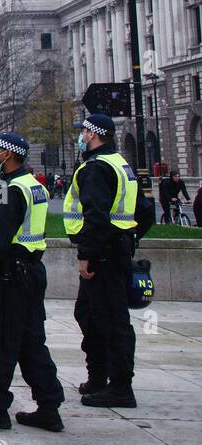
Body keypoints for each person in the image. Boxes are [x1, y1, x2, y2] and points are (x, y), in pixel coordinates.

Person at [0, 132, 65, 432]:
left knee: (0, 341)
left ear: (9, 154)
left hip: (9, 275)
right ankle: (49, 406)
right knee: (32, 342)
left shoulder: (6, 187)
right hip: (31, 271)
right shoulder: (33, 185)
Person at [65, 114, 154, 408]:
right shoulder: (120, 164)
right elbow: (145, 211)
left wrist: (86, 255)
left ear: (93, 134)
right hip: (115, 248)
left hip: (102, 253)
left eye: (84, 131)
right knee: (89, 314)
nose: (81, 135)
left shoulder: (95, 168)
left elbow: (96, 215)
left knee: (111, 320)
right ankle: (99, 376)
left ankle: (120, 388)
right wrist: (128, 237)